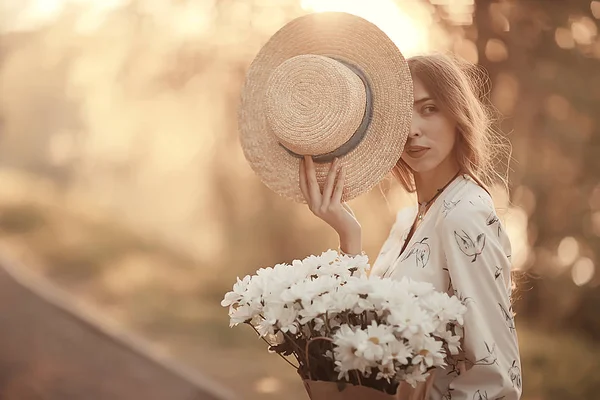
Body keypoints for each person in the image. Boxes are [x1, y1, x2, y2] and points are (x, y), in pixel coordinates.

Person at [299, 53, 522, 400]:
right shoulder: (408, 220)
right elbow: (367, 334)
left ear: (457, 113)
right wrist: (348, 234)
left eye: (429, 108)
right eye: (401, 114)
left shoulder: (465, 214)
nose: (412, 128)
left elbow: (497, 378)